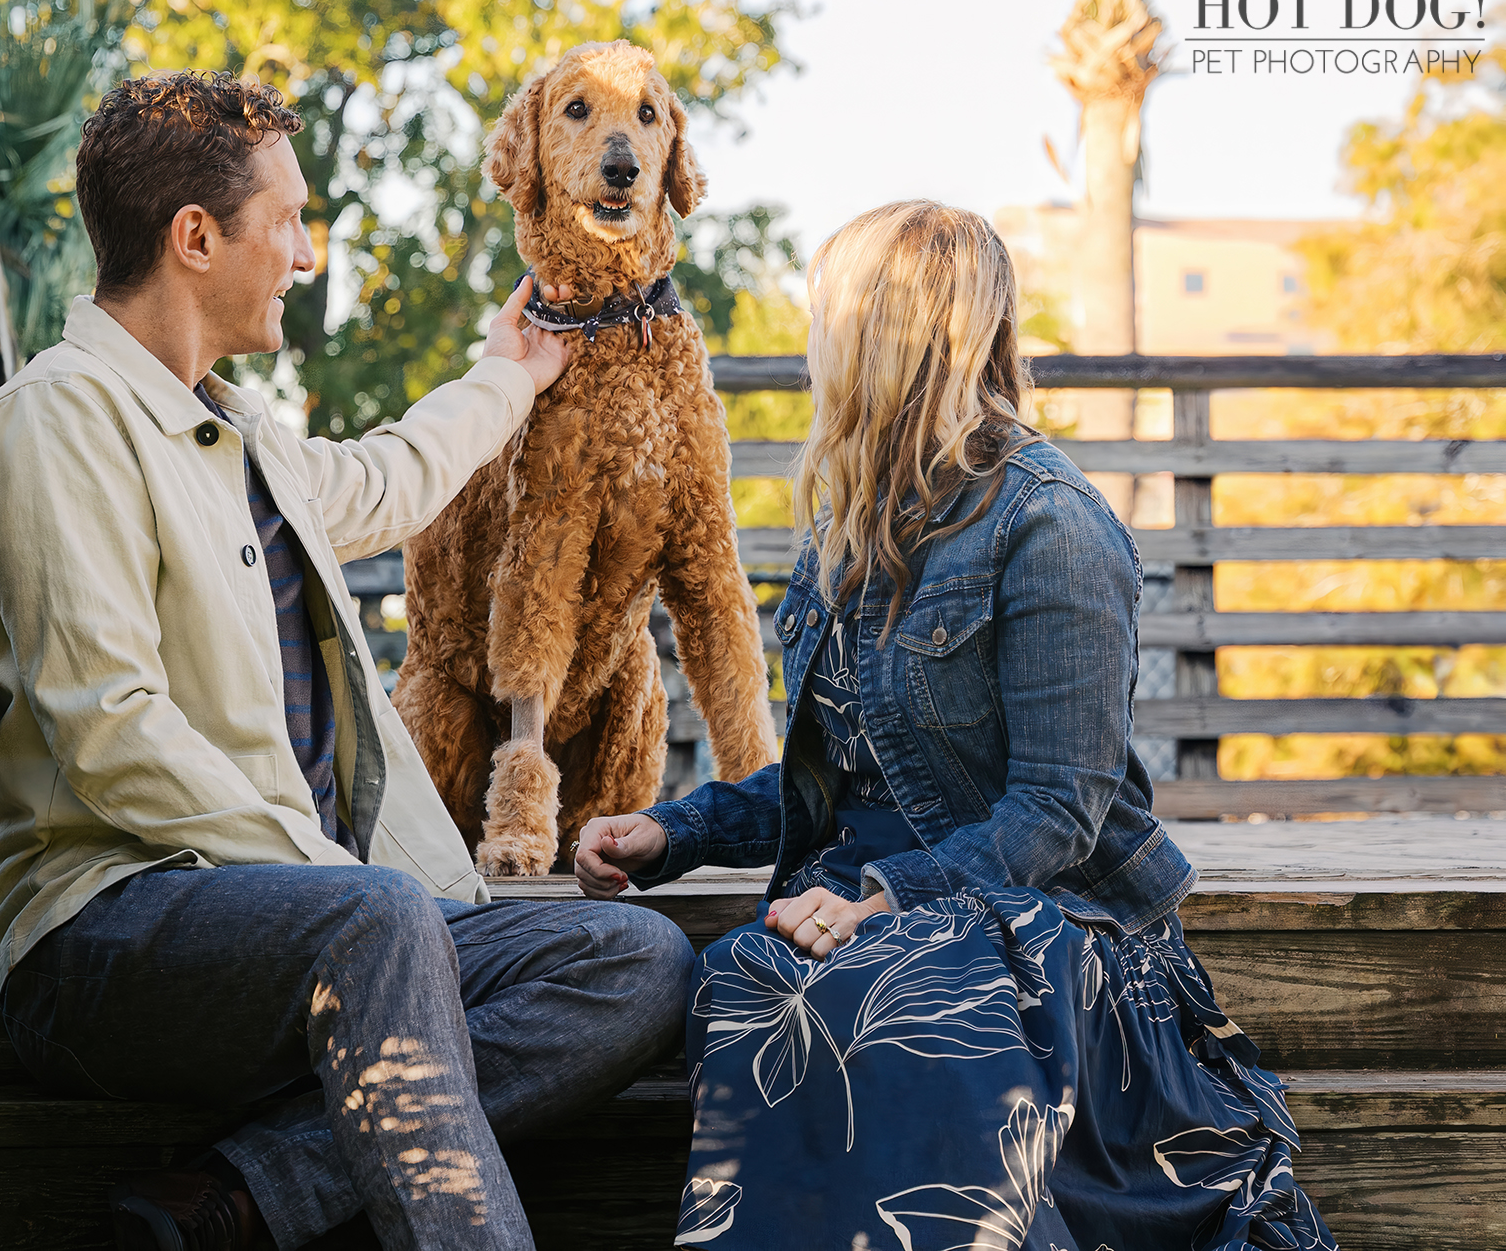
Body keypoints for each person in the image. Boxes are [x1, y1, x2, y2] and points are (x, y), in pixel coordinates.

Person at [0, 70, 693, 1251]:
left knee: (634, 960)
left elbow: (378, 482)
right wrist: (328, 876)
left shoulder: (233, 425)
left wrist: (510, 372)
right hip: (107, 929)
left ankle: (245, 1192)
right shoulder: (62, 420)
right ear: (195, 238)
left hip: (320, 908)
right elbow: (108, 729)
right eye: (290, 221)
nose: (306, 252)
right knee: (376, 923)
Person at [573, 201, 1337, 1251]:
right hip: (868, 903)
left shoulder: (1049, 523)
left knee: (887, 998)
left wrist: (882, 898)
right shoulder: (853, 521)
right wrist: (677, 833)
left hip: (1042, 920)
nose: (808, 351)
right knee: (750, 976)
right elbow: (842, 772)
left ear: (878, 337)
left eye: (820, 323)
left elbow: (1059, 815)